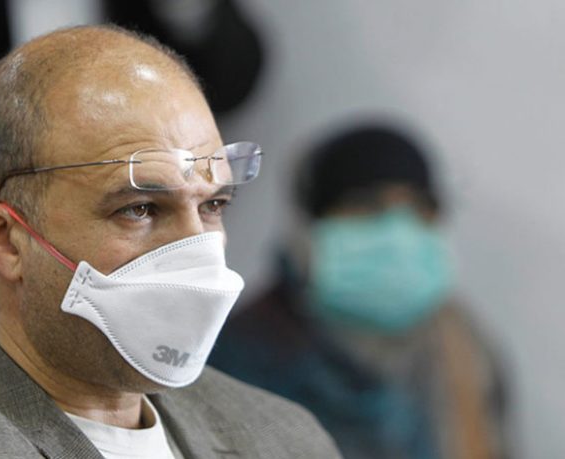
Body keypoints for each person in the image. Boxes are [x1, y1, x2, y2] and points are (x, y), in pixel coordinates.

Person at [0, 26, 340, 459]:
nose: (197, 252)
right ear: (4, 239)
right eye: (141, 209)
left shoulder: (284, 436)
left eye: (212, 205)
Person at [209, 123, 509, 459]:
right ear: (311, 222)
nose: (398, 230)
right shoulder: (242, 355)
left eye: (419, 206)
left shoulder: (463, 349)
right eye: (368, 206)